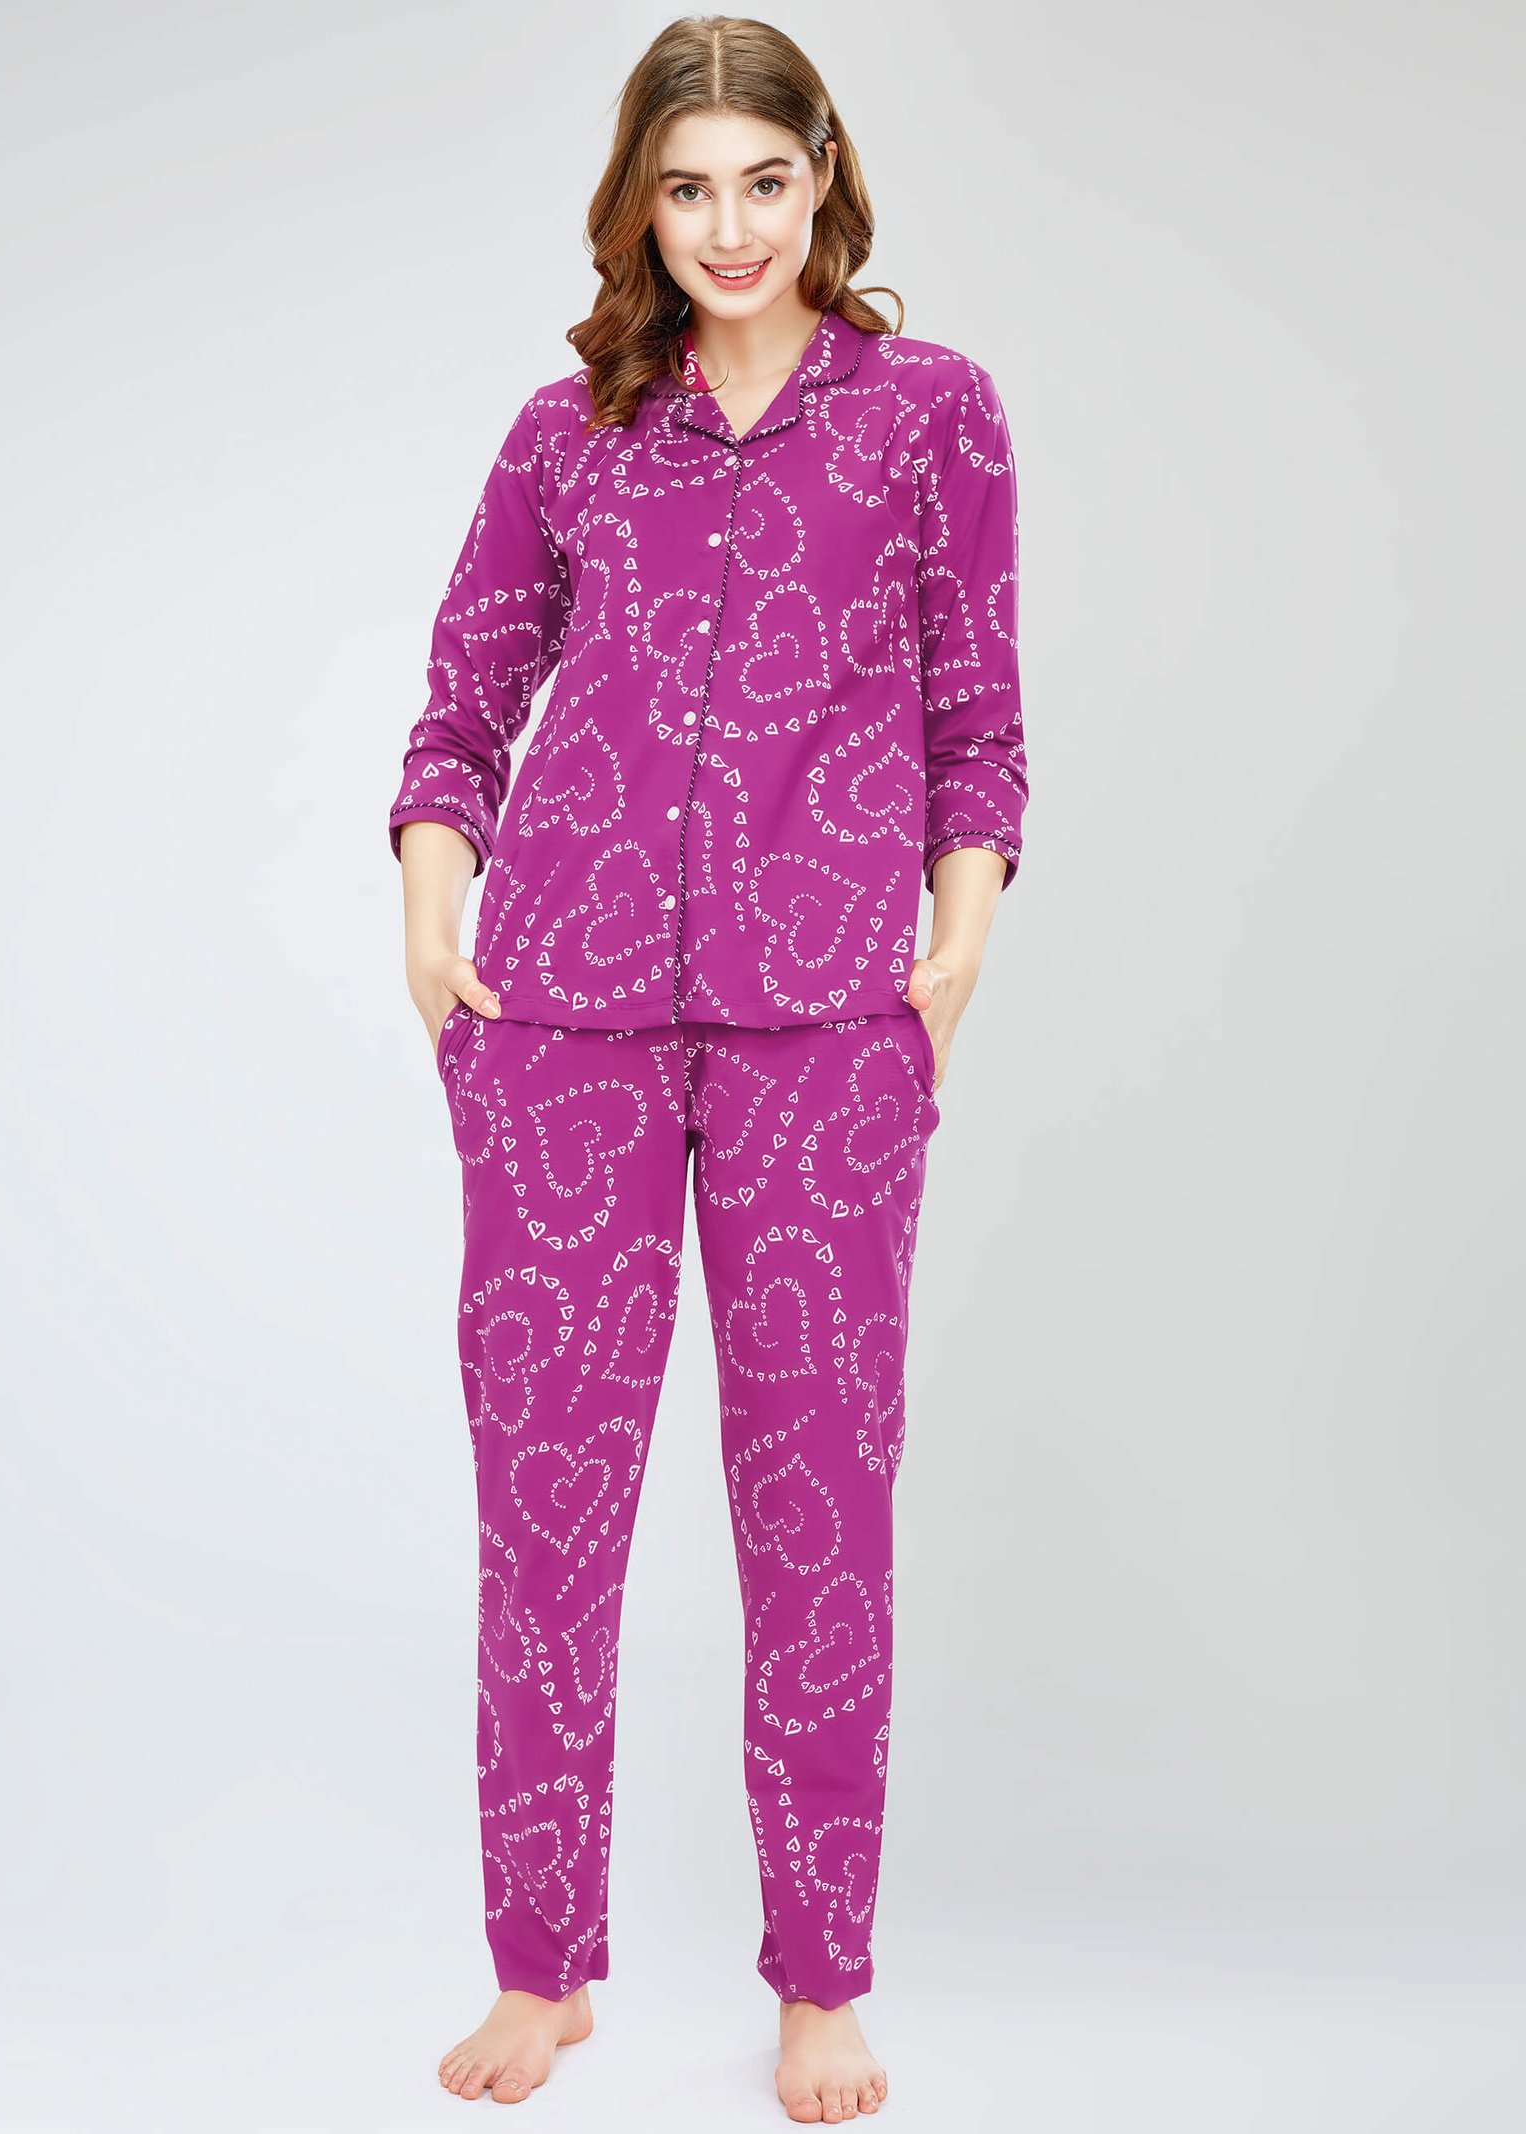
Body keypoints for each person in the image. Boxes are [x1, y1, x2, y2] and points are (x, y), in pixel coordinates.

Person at [388, 17, 1027, 2122]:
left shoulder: (929, 415)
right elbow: (463, 701)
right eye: (687, 189)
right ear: (638, 203)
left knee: (820, 1502)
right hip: (558, 1021)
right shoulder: (566, 430)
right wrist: (431, 917)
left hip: (827, 1028)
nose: (728, 228)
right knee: (542, 1504)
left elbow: (976, 717)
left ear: (820, 176)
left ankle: (819, 1980)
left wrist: (950, 956)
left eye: (762, 180)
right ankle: (541, 1965)